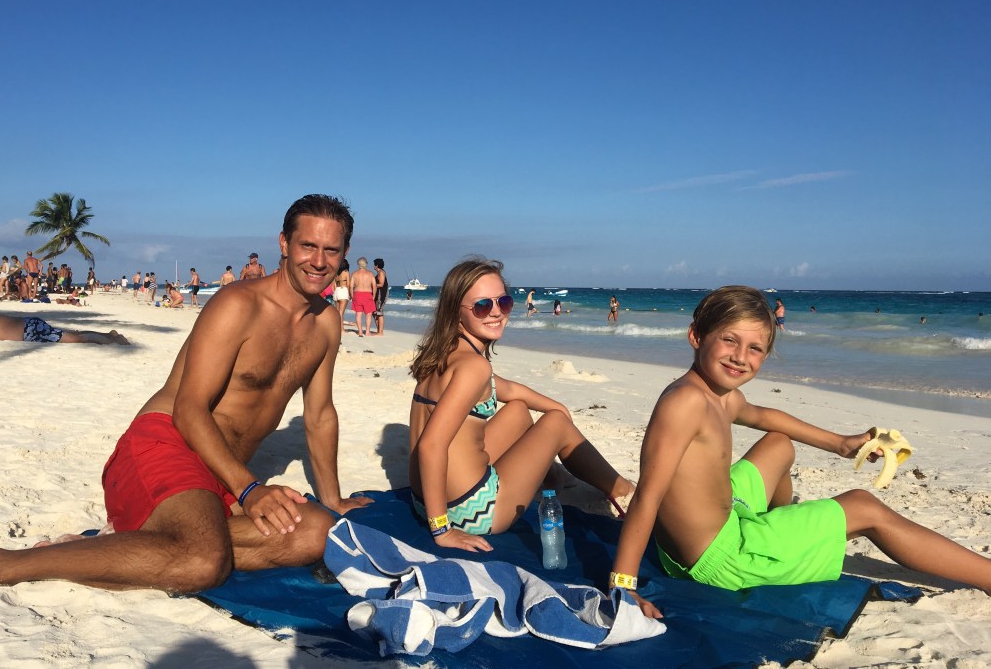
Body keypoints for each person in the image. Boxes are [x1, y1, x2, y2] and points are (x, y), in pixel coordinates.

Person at [0, 194, 371, 601]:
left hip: (222, 471)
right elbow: (189, 409)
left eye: (331, 250)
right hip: (167, 443)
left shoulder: (326, 324)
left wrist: (332, 499)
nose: (318, 260)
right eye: (308, 245)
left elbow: (319, 414)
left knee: (317, 532)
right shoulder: (238, 305)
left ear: (344, 253)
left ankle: (132, 543)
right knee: (201, 562)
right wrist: (250, 490)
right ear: (284, 244)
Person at [609, 285, 991, 620]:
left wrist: (841, 443)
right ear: (696, 336)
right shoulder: (685, 402)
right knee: (864, 507)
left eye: (755, 348)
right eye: (729, 340)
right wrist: (623, 585)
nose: (740, 357)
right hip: (722, 560)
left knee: (778, 442)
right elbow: (648, 495)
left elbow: (764, 416)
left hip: (723, 524)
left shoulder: (720, 395)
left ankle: (779, 529)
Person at [409, 257, 634, 552]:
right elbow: (431, 446)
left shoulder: (444, 354)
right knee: (555, 425)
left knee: (518, 410)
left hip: (423, 498)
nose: (496, 312)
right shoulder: (474, 367)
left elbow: (509, 389)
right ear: (455, 311)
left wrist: (558, 407)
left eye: (503, 302)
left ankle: (552, 476)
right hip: (471, 511)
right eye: (482, 306)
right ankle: (623, 490)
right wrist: (441, 530)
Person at [0, 312, 128, 344]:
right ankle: (107, 334)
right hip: (27, 323)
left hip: (28, 331)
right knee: (68, 335)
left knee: (75, 339)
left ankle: (111, 340)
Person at [350, 257, 377, 337]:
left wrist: (352, 295)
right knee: (368, 314)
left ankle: (360, 332)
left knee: (358, 314)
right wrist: (374, 296)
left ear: (358, 264)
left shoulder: (354, 274)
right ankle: (367, 332)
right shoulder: (370, 274)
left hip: (357, 294)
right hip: (368, 294)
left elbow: (351, 286)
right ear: (366, 264)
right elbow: (374, 286)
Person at [372, 257, 388, 336]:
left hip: (381, 294)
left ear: (377, 265)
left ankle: (380, 332)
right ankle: (378, 330)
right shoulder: (379, 272)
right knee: (375, 312)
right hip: (378, 294)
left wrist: (371, 285)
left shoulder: (381, 272)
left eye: (374, 264)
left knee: (379, 312)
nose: (373, 266)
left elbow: (381, 284)